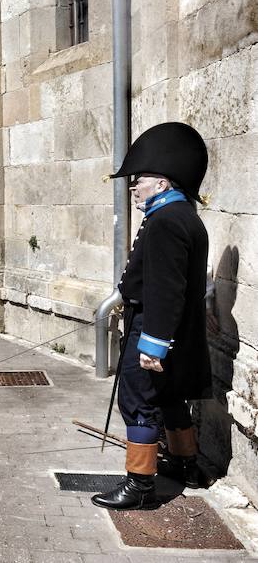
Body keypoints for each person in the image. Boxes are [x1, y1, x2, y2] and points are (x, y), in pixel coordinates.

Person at [91, 122, 211, 510]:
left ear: (161, 183)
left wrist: (152, 346)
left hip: (154, 327)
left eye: (139, 181)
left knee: (139, 400)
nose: (133, 187)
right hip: (175, 329)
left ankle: (140, 485)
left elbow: (164, 289)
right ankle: (184, 462)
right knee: (171, 397)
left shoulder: (165, 222)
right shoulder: (183, 216)